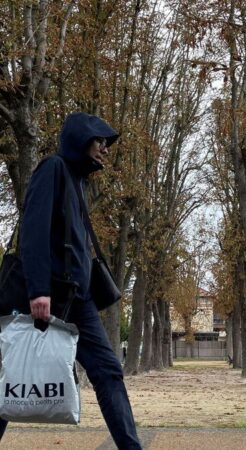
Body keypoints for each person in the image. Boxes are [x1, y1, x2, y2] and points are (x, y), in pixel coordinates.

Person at [0, 112, 142, 450]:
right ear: (81, 140)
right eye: (100, 142)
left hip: (77, 301)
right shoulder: (52, 168)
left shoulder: (79, 182)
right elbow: (32, 232)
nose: (105, 149)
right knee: (13, 375)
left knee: (108, 372)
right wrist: (38, 291)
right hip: (46, 297)